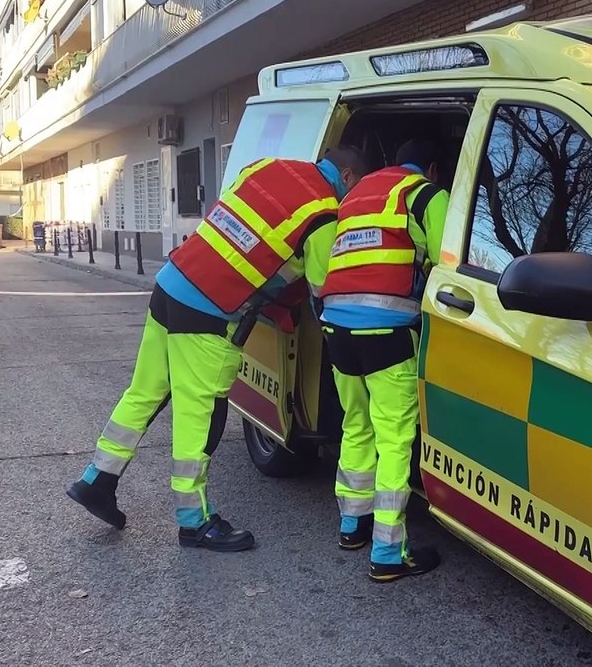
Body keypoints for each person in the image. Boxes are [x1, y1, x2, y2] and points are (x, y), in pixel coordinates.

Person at [66, 146, 370, 552]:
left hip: (172, 281)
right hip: (209, 307)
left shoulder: (268, 167)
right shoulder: (324, 213)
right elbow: (322, 290)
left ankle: (96, 480)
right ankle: (194, 523)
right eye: (356, 190)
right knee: (202, 412)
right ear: (347, 177)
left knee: (146, 392)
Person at [318, 138, 448, 581]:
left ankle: (352, 525)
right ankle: (388, 554)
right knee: (394, 438)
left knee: (356, 424)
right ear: (430, 167)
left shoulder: (359, 195)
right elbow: (448, 260)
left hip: (336, 327)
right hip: (387, 331)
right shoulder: (426, 193)